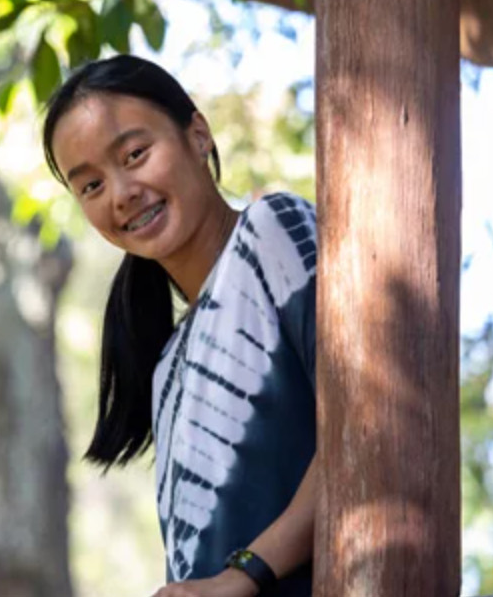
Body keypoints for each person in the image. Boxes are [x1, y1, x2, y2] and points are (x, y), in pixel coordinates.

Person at [43, 55, 317, 597]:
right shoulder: (165, 370)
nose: (121, 193)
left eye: (135, 155)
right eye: (91, 186)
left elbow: (365, 431)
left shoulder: (270, 232)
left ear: (198, 135)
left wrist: (245, 575)